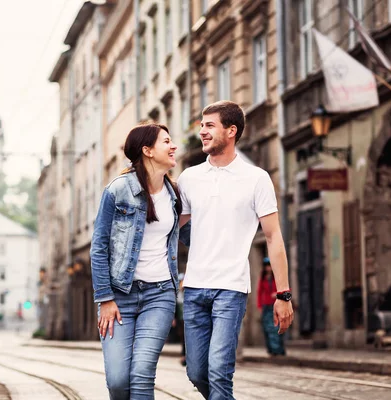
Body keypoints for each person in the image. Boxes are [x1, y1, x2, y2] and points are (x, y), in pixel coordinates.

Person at [177, 100, 294, 399]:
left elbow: (273, 237)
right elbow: (181, 230)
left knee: (218, 371)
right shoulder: (189, 178)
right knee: (197, 372)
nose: (202, 132)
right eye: (202, 125)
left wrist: (283, 295)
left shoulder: (256, 178)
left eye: (209, 126)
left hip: (230, 288)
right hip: (194, 289)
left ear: (231, 131)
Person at [91, 123, 182, 399]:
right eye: (166, 141)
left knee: (141, 375)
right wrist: (105, 298)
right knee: (118, 381)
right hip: (119, 297)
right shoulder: (117, 190)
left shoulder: (175, 194)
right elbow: (99, 246)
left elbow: (191, 234)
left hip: (160, 295)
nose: (173, 146)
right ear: (148, 150)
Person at [257, 257, 286, 356]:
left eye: (269, 266)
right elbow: (259, 292)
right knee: (267, 328)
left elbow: (285, 290)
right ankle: (272, 350)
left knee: (276, 328)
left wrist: (277, 295)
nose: (268, 268)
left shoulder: (277, 277)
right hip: (266, 306)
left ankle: (278, 349)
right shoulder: (263, 278)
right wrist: (260, 306)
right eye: (266, 266)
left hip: (277, 306)